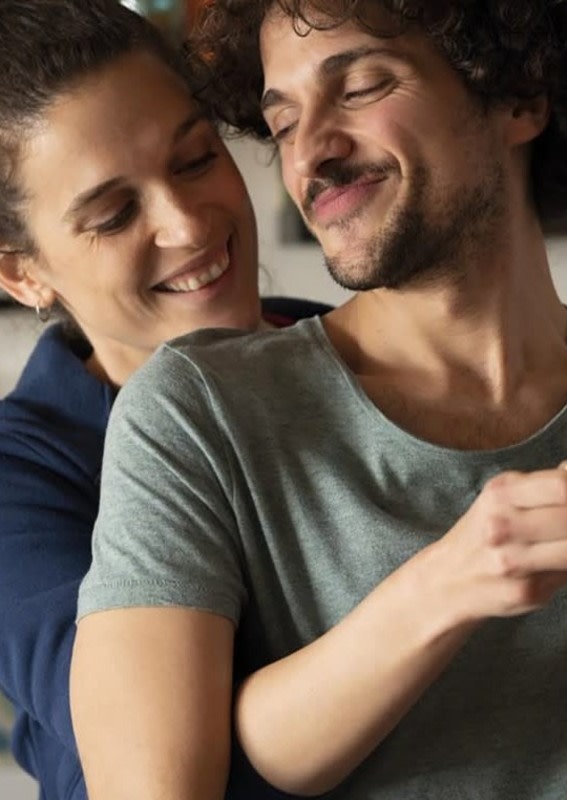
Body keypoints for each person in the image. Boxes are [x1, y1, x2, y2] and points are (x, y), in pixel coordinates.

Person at [71, 1, 567, 798]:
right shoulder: (198, 415)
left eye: (360, 88)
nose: (311, 150)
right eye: (282, 125)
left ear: (520, 94)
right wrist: (446, 584)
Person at [0, 2, 329, 798]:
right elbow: (140, 770)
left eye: (195, 159)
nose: (188, 225)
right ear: (23, 274)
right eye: (114, 215)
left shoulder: (374, 352)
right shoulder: (21, 479)